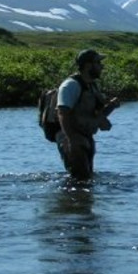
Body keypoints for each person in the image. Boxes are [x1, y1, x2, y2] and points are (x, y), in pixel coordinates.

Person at [55, 49, 120, 180]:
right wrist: (71, 139)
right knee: (80, 180)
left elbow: (95, 115)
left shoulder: (91, 86)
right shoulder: (70, 85)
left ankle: (79, 200)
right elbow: (62, 112)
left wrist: (111, 106)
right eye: (98, 62)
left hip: (85, 137)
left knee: (86, 180)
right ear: (88, 65)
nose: (102, 66)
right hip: (71, 138)